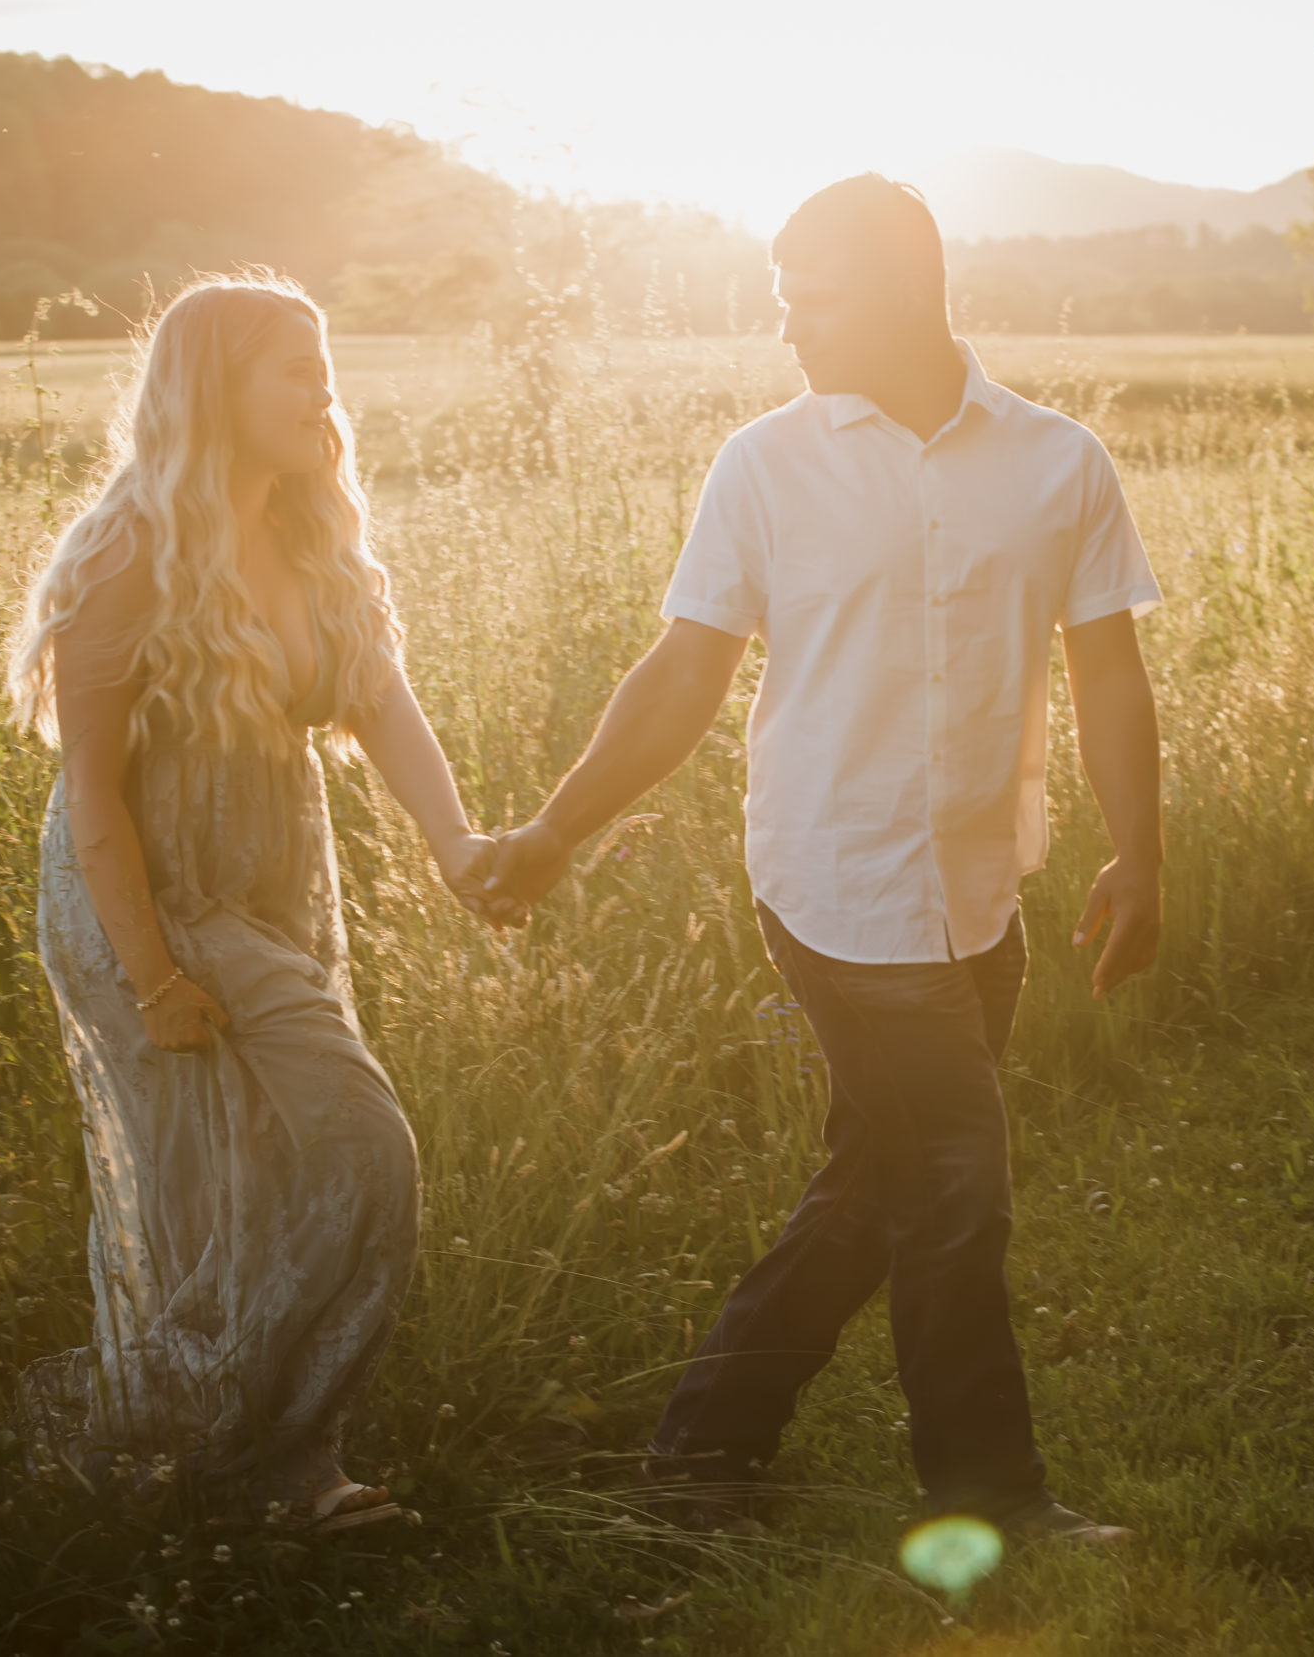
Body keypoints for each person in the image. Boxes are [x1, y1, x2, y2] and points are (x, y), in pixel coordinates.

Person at [482, 176, 1165, 1548]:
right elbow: (684, 672)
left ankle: (700, 1455)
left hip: (979, 892)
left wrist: (1140, 851)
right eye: (781, 296)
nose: (787, 325)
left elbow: (1108, 672)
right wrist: (557, 828)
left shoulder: (1056, 462)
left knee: (877, 1184)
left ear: (910, 289)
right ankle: (988, 1494)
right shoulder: (766, 464)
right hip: (836, 888)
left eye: (815, 297)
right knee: (957, 1184)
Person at [6, 272, 497, 1534]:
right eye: (295, 367)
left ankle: (245, 1458)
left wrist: (460, 848)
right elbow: (97, 798)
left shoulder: (304, 532)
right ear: (215, 389)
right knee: (344, 1151)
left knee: (272, 1174)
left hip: (267, 888)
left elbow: (380, 701)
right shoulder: (124, 558)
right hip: (148, 901)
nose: (322, 390)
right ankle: (214, 1442)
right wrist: (156, 976)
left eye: (324, 365)